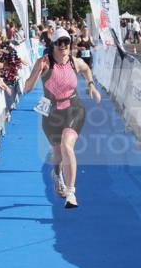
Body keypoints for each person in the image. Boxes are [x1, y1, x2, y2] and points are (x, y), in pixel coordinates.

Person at [22, 27, 101, 208]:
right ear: (54, 45)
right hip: (51, 111)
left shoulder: (75, 61)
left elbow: (86, 68)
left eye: (67, 42)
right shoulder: (44, 62)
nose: (64, 46)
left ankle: (71, 193)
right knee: (57, 153)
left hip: (74, 107)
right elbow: (26, 88)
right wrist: (37, 71)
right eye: (60, 42)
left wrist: (90, 84)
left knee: (67, 145)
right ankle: (56, 174)